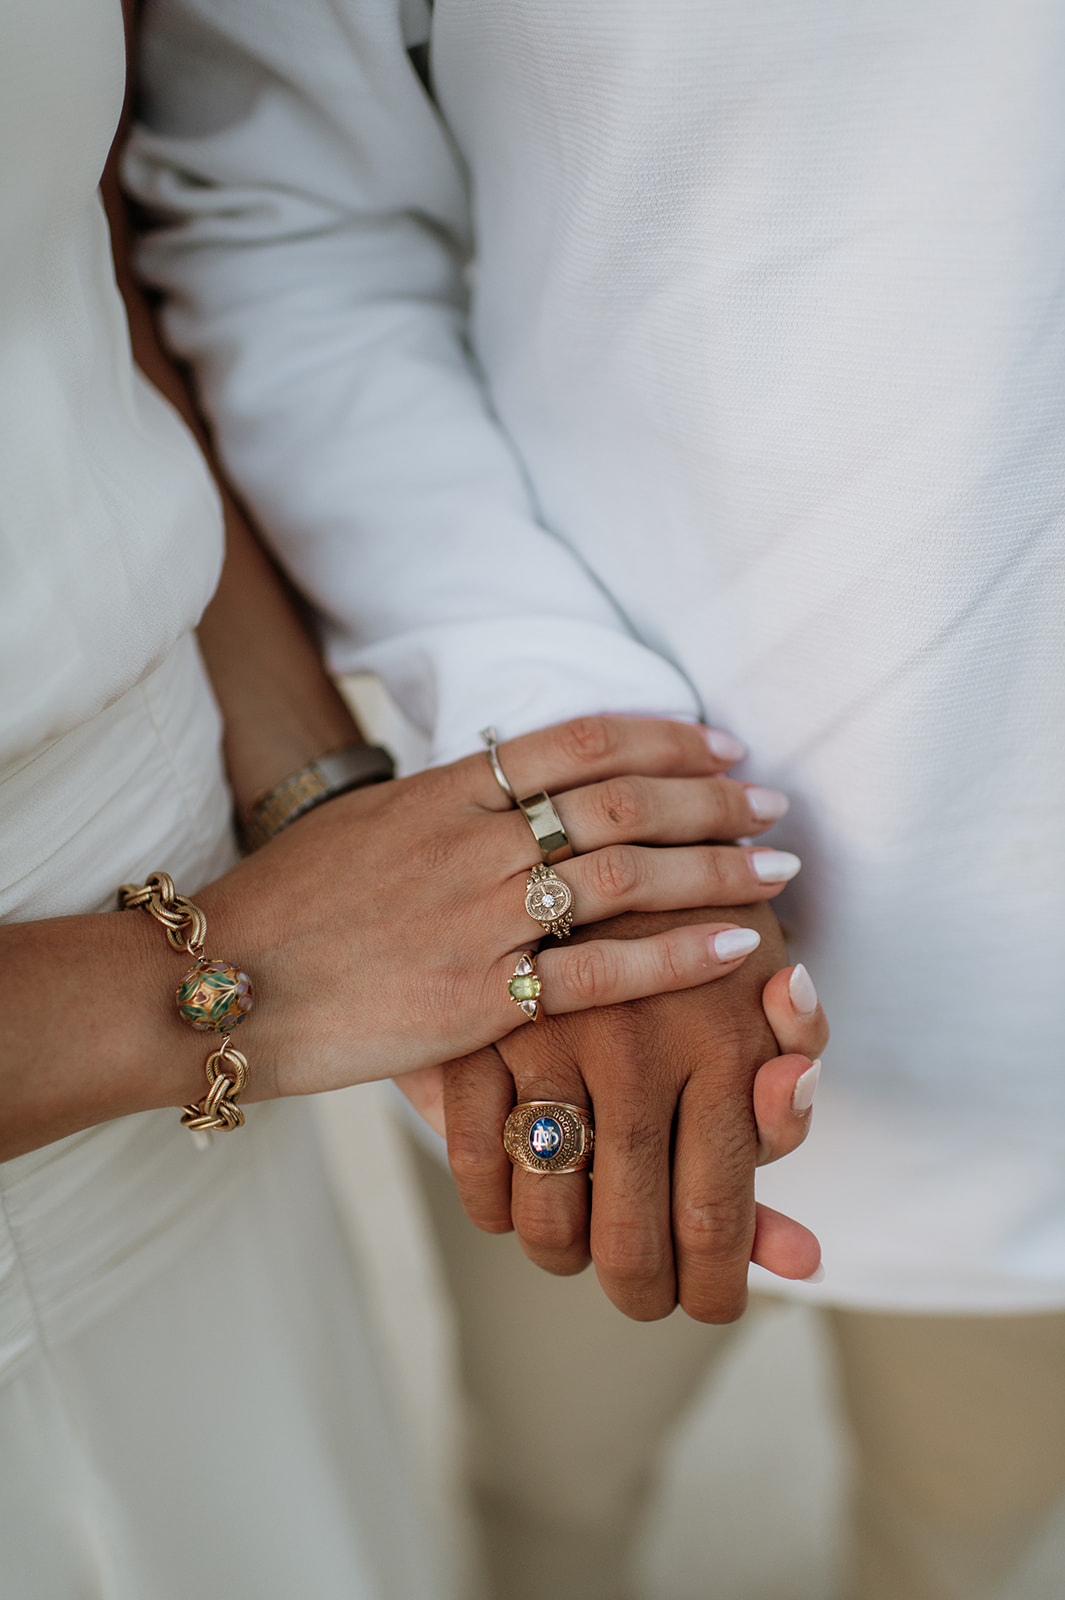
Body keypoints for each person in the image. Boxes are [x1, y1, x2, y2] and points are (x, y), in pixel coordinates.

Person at [126, 2, 1065, 1598]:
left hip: (1028, 1070)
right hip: (550, 964)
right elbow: (286, 201)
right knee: (537, 1502)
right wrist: (566, 759)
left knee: (960, 1542)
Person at [0, 3, 827, 1594]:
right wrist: (218, 984)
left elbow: (73, 268)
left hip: (196, 960)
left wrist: (317, 804)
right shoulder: (241, 994)